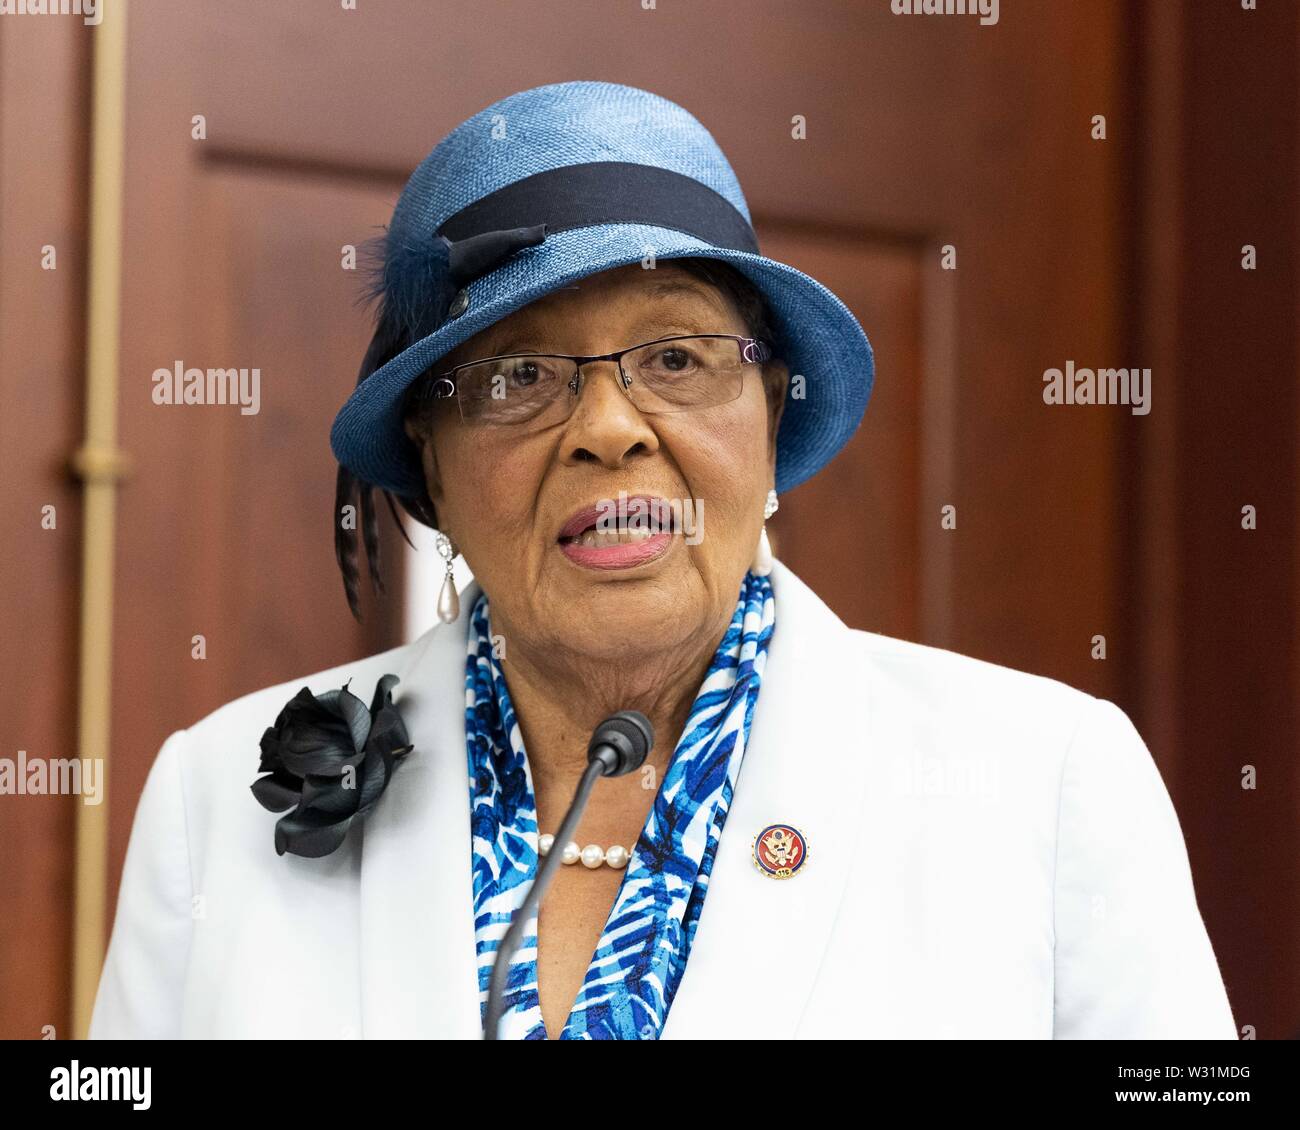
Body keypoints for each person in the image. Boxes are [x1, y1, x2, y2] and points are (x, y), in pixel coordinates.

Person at [90, 80, 1236, 1040]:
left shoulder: (1045, 781)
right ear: (429, 468)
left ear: (770, 418)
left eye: (679, 356)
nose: (609, 425)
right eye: (517, 375)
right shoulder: (214, 797)